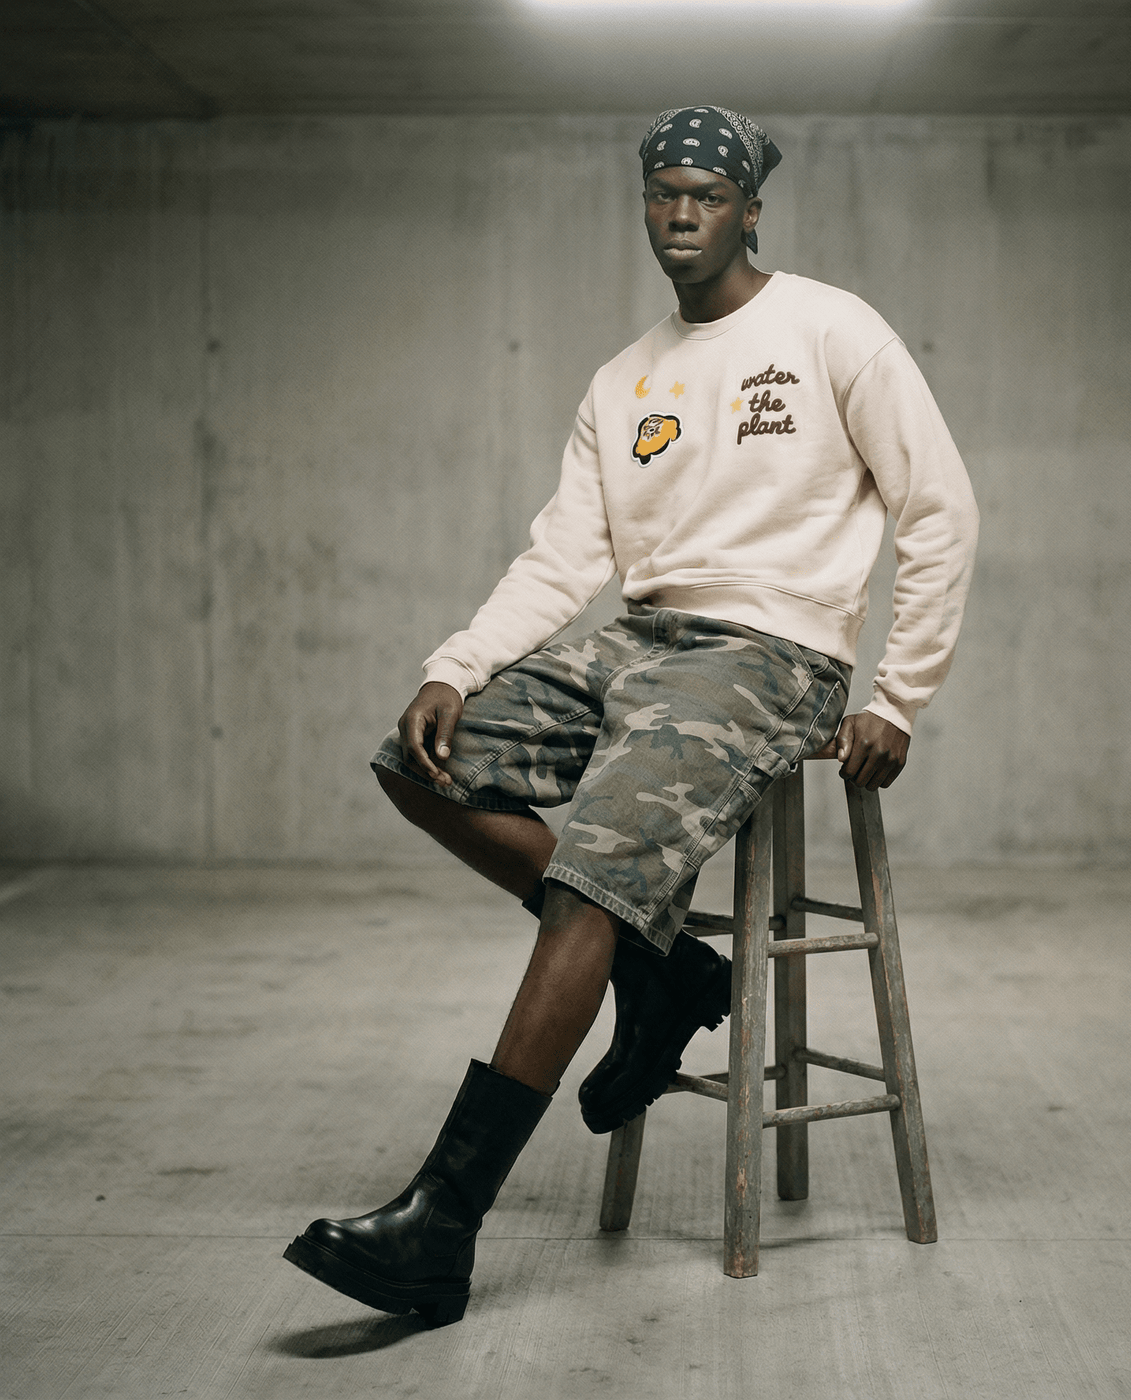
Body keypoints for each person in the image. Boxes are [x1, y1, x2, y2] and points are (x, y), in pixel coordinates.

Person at [283, 105, 978, 1326]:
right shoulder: (624, 379)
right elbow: (564, 556)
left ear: (749, 208)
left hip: (770, 653)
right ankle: (660, 969)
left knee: (594, 872)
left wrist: (897, 694)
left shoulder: (831, 330)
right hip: (639, 637)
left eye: (706, 193)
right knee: (419, 756)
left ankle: (442, 1222)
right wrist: (455, 664)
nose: (681, 212)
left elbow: (939, 508)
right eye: (663, 192)